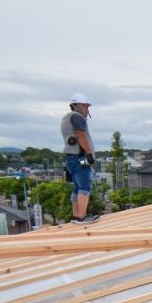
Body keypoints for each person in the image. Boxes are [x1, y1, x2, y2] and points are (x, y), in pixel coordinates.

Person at [61, 94, 99, 223]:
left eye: (87, 105)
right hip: (80, 157)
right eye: (84, 105)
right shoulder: (77, 117)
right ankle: (82, 216)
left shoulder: (68, 118)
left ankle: (76, 215)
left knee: (77, 187)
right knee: (85, 185)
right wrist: (89, 155)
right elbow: (81, 136)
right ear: (75, 105)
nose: (87, 108)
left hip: (72, 158)